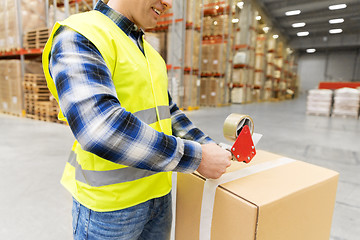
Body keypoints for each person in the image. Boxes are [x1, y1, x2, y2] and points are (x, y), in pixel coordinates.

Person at [42, 0, 232, 239]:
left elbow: (168, 112)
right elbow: (101, 129)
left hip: (159, 196)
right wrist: (198, 157)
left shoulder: (150, 52)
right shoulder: (81, 34)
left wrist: (207, 145)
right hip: (110, 209)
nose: (168, 3)